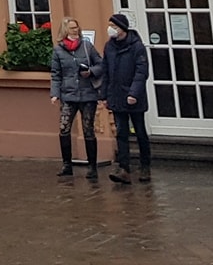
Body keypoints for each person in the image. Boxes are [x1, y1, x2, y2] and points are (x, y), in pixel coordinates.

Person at [49, 17, 103, 181]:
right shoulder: (58, 50)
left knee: (88, 129)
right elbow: (56, 74)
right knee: (64, 128)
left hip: (88, 94)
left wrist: (91, 72)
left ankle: (92, 166)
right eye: (72, 28)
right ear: (65, 30)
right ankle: (67, 165)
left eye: (76, 27)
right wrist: (54, 93)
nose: (75, 30)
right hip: (68, 94)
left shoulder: (87, 46)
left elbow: (101, 64)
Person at [104, 13, 152, 185]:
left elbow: (141, 72)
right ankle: (124, 168)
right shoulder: (109, 47)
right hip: (116, 96)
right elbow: (105, 71)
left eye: (114, 26)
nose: (110, 29)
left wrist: (133, 93)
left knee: (140, 132)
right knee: (121, 133)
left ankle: (145, 166)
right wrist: (104, 95)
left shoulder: (137, 47)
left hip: (134, 98)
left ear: (122, 28)